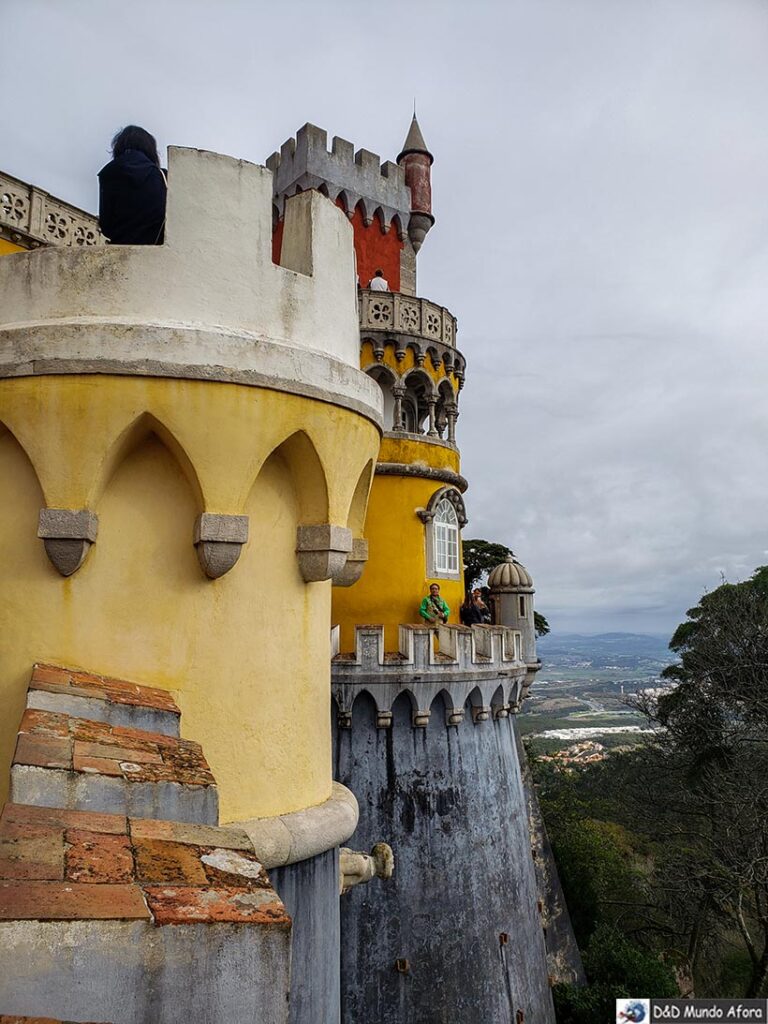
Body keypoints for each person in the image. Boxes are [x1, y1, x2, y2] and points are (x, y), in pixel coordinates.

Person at [98, 126, 167, 245]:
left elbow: (106, 226)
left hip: (121, 250)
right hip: (155, 250)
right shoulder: (163, 176)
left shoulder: (108, 173)